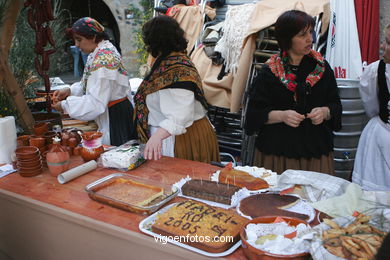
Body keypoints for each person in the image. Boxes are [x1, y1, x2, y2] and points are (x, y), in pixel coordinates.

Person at [244, 10, 342, 174]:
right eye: (303, 35)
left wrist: (325, 112)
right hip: (278, 154)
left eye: (311, 32)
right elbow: (254, 115)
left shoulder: (322, 69)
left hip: (314, 154)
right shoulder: (269, 72)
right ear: (287, 39)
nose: (310, 39)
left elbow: (336, 105)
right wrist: (282, 116)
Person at [134, 15, 220, 163]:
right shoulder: (170, 61)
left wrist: (157, 136)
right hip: (175, 134)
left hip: (182, 138)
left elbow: (180, 115)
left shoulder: (176, 69)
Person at [52, 17, 136, 146]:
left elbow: (95, 104)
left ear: (93, 37)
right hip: (114, 112)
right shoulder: (99, 51)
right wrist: (70, 91)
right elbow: (90, 83)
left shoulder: (104, 61)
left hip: (116, 118)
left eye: (79, 39)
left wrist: (65, 106)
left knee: (116, 157)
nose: (77, 44)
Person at [352, 24, 390, 191]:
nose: (382, 47)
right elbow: (372, 108)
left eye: (388, 42)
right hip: (380, 140)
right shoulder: (376, 71)